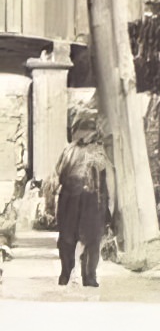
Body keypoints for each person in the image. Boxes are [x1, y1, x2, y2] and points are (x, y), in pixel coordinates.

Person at [52, 110, 109, 290]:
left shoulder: (90, 150)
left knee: (83, 239)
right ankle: (75, 274)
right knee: (76, 239)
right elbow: (59, 172)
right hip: (77, 198)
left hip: (81, 199)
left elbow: (102, 173)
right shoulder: (77, 150)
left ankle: (80, 275)